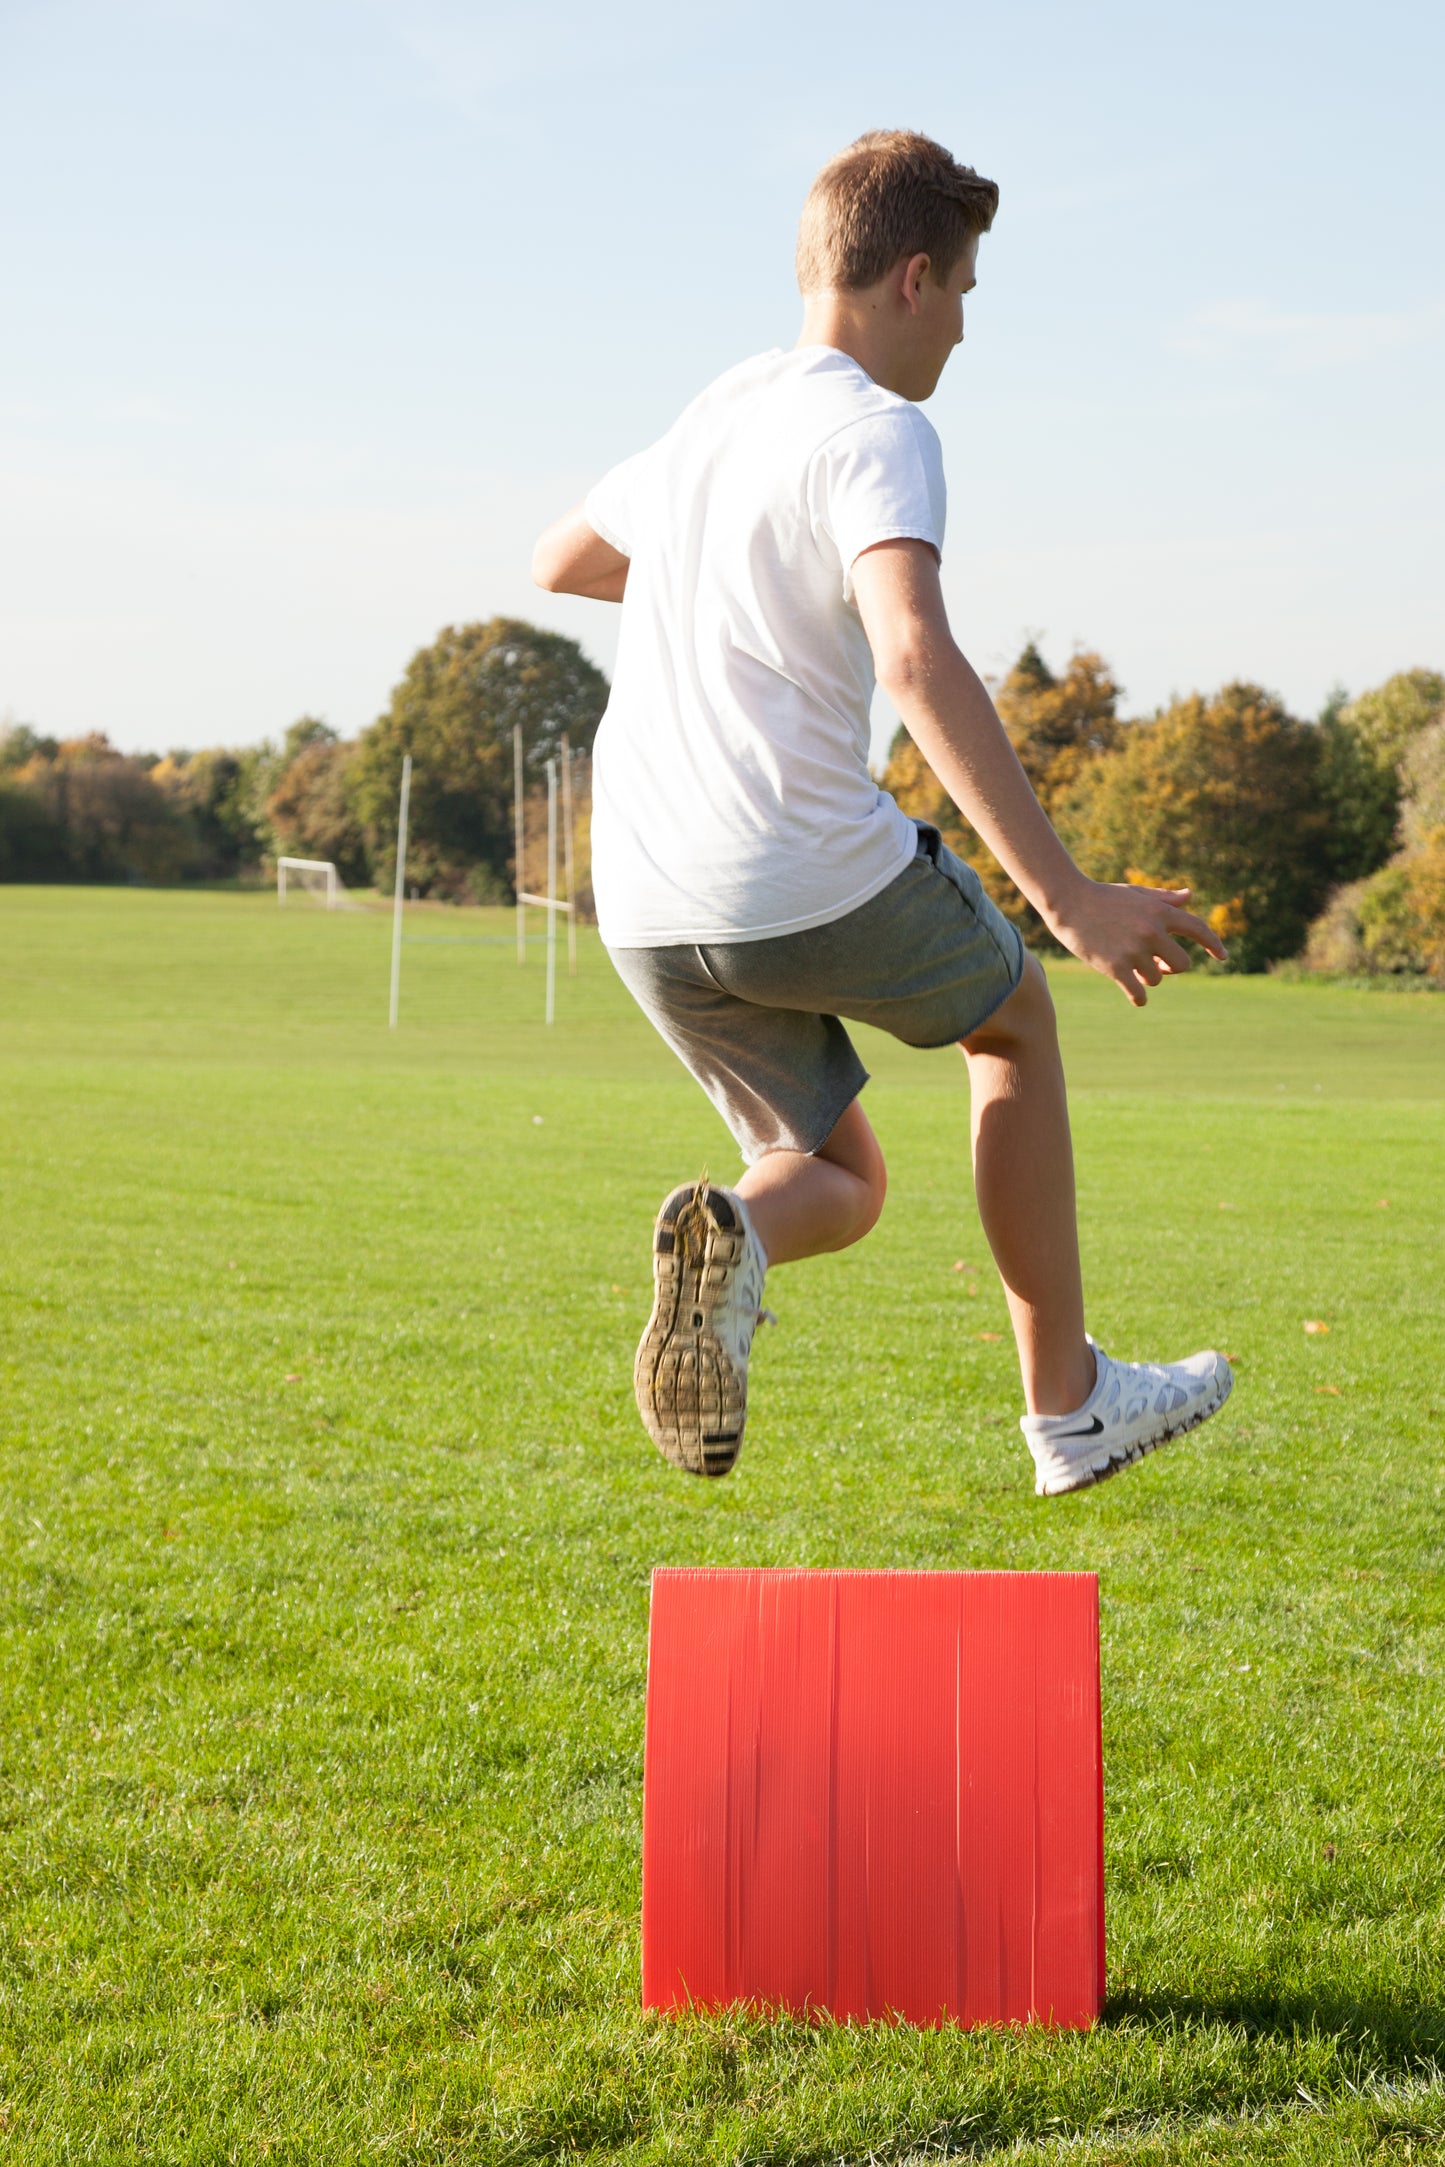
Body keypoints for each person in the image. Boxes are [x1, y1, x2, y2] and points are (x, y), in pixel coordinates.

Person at [532, 129, 1233, 1498]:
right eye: (965, 292)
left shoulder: (718, 410)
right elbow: (913, 658)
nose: (964, 330)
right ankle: (1070, 1407)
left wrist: (730, 585)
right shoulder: (877, 427)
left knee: (832, 1176)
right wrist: (1069, 899)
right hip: (793, 858)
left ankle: (729, 1229)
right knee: (1012, 1016)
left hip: (647, 899)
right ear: (913, 277)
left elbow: (560, 560)